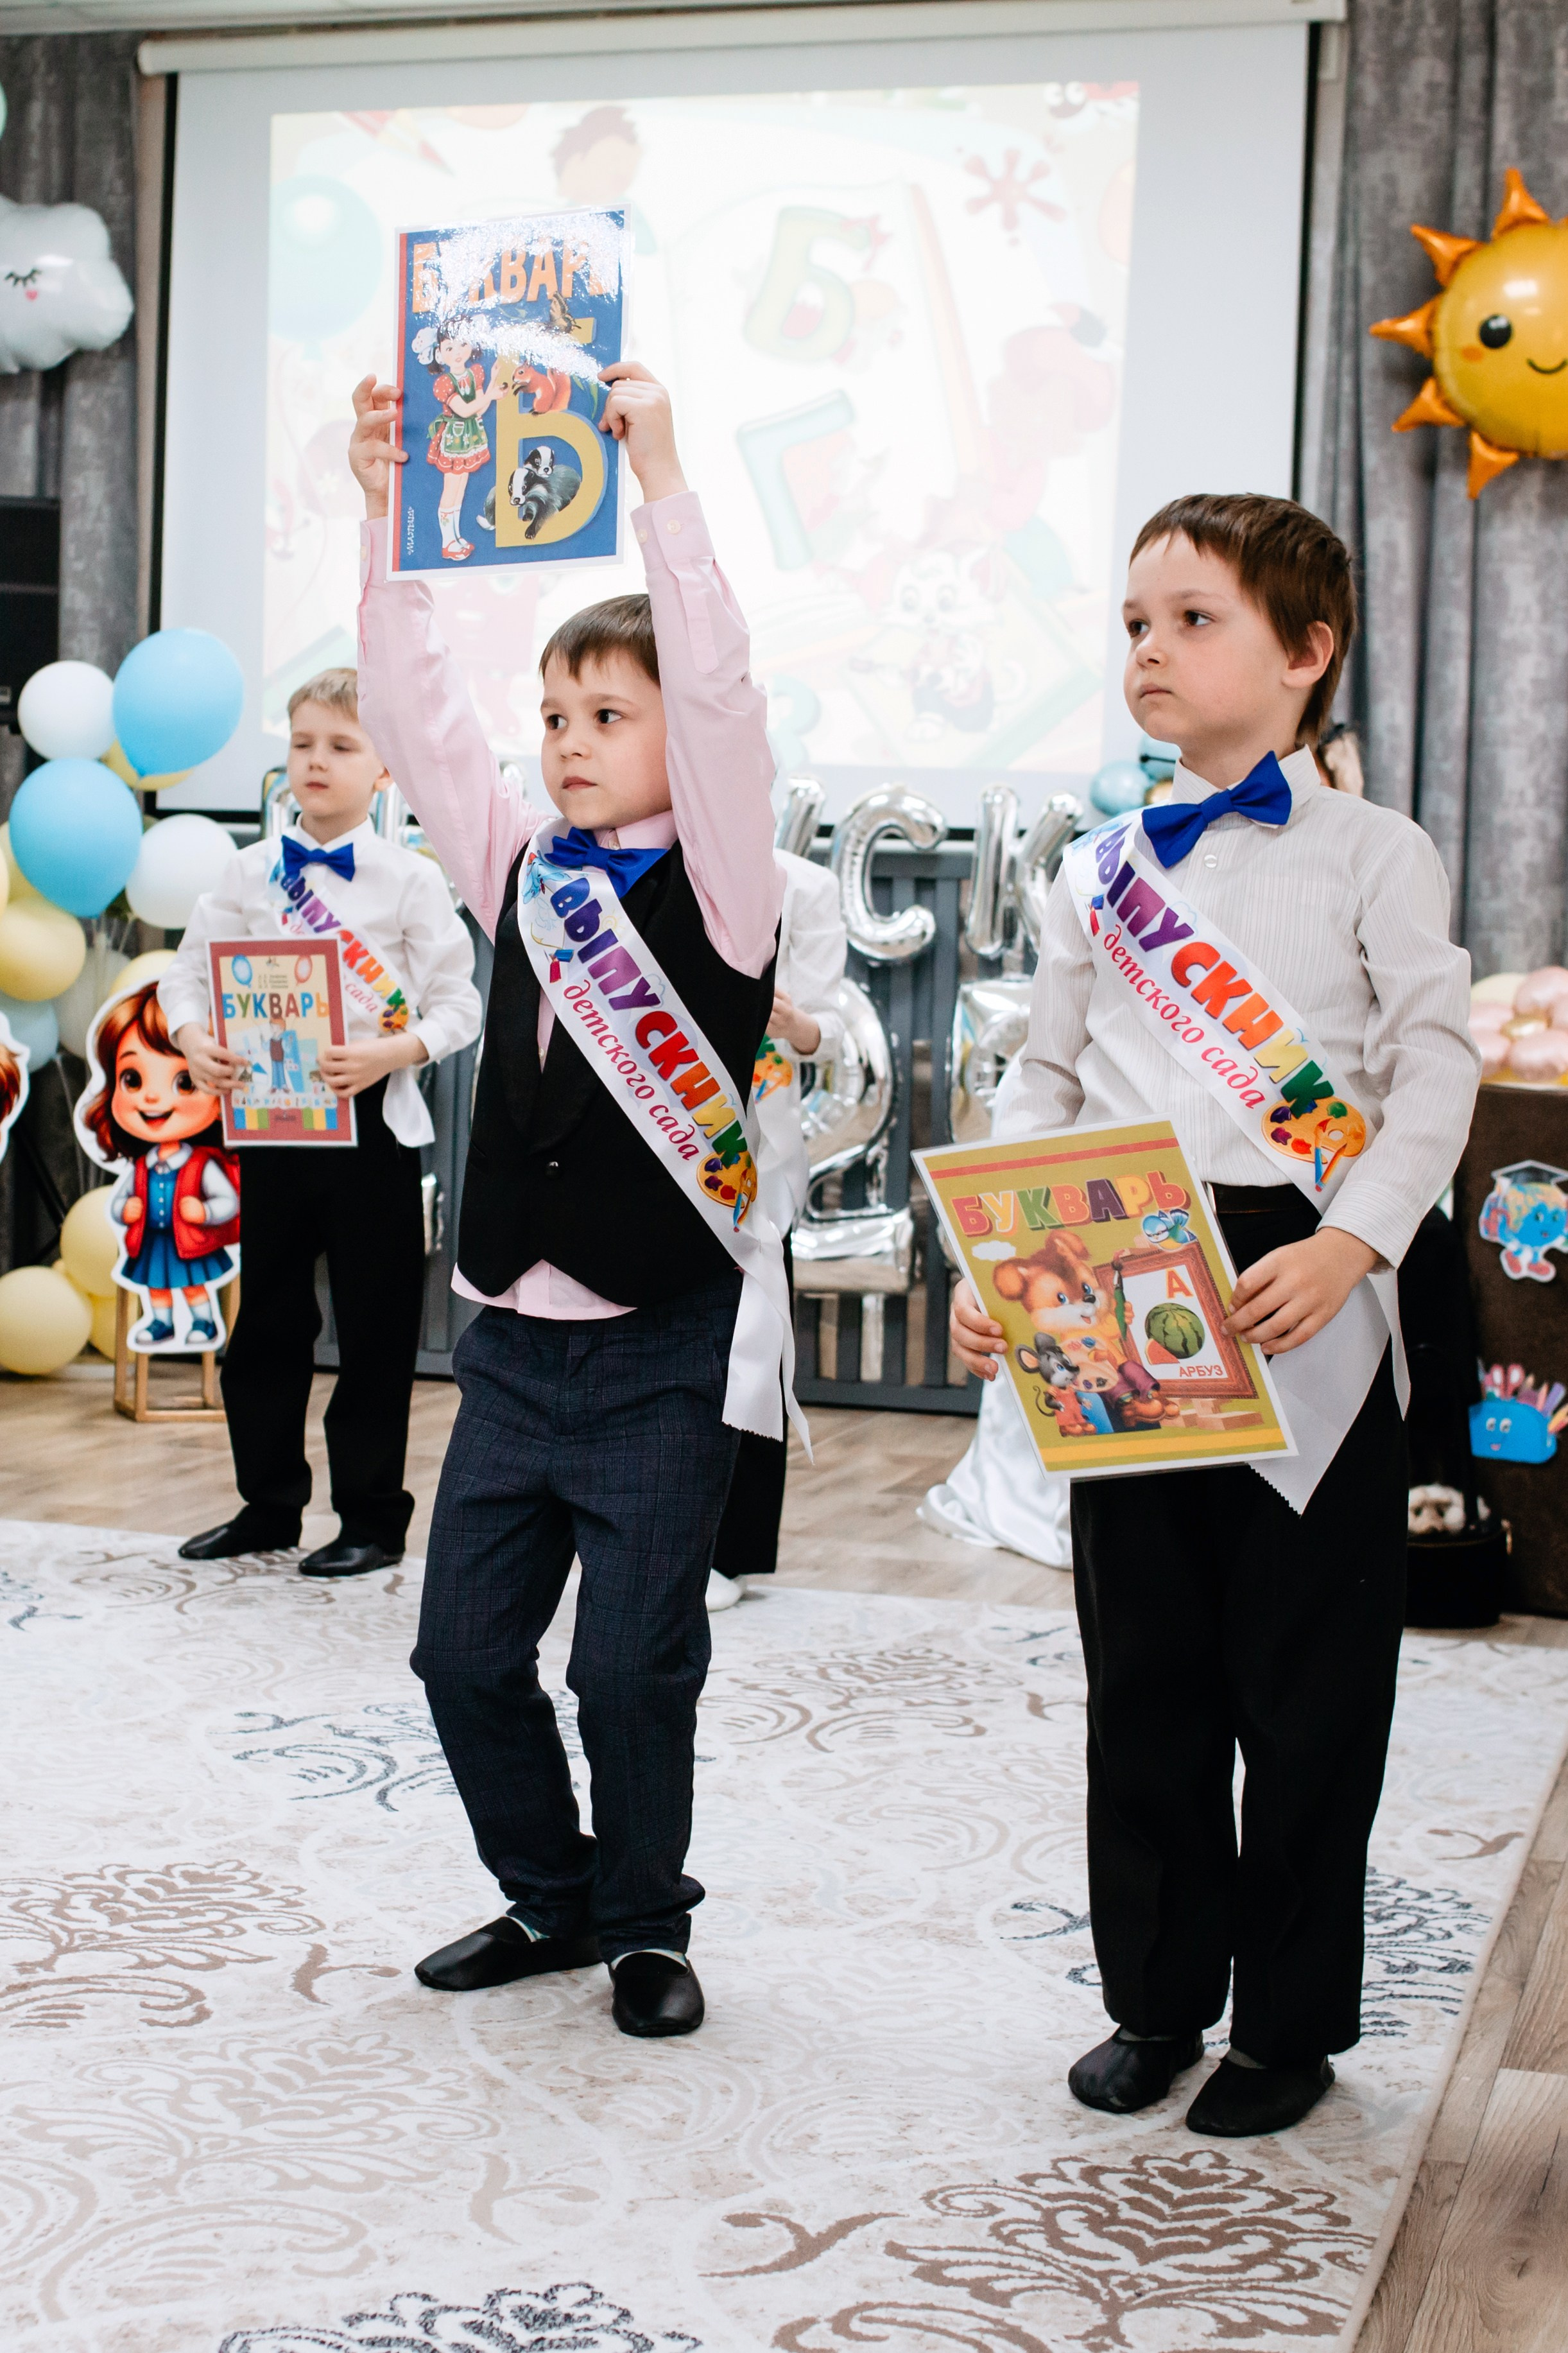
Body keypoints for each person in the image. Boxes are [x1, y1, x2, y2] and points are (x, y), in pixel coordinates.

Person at [952, 494, 1478, 2138]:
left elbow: (1436, 1068)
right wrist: (999, 1264)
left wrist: (1358, 1245)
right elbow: (1045, 1077)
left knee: (1310, 1688)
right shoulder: (1098, 871)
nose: (1150, 651)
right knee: (1150, 1669)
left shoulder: (1378, 853)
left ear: (1307, 651)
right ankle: (1158, 1995)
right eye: (1132, 624)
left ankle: (1289, 2025)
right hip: (1115, 1267)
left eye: (1194, 620)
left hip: (1301, 1270)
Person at [347, 357, 793, 2040]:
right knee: (461, 1659)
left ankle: (643, 1921)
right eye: (556, 718)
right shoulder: (521, 867)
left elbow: (727, 691)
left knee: (628, 1670)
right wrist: (388, 508)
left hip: (658, 1348)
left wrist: (662, 473)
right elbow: (418, 720)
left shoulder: (729, 884)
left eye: (608, 715)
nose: (566, 742)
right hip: (510, 1357)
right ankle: (549, 1894)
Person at [158, 668, 482, 1577]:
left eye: (340, 746)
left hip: (372, 1132)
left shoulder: (411, 881)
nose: (316, 761)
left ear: (384, 771)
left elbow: (461, 1007)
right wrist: (193, 1041)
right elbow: (186, 975)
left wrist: (395, 1051)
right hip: (266, 1125)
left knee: (375, 1329)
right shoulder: (246, 871)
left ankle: (372, 1520)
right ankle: (267, 1506)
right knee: (264, 1322)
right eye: (302, 744)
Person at [707, 845, 847, 1610]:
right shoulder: (640, 865)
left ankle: (732, 1550)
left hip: (754, 1152)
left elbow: (831, 1023)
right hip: (647, 1141)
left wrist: (797, 1023)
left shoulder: (806, 885)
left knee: (750, 1342)